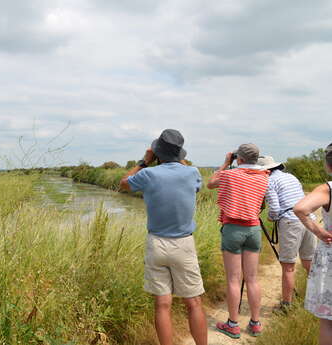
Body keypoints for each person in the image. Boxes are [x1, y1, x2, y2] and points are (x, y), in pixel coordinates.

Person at [119, 129, 207, 345]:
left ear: (158, 153)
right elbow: (194, 184)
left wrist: (144, 161)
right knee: (194, 302)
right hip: (184, 244)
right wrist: (179, 159)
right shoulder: (192, 173)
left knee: (162, 304)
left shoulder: (148, 175)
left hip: (156, 243)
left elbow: (124, 183)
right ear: (180, 154)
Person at [207, 144, 269, 339]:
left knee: (234, 279)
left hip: (233, 229)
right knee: (252, 278)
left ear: (238, 158)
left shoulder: (230, 175)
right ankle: (255, 323)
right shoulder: (264, 176)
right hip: (254, 229)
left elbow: (211, 183)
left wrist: (227, 162)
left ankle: (233, 324)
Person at [257, 155, 317, 311]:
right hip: (308, 219)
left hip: (291, 222)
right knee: (309, 263)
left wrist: (271, 218)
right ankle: (319, 299)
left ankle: (286, 306)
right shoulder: (291, 176)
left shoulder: (268, 182)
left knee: (288, 266)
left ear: (264, 171)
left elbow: (275, 209)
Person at [294, 143, 332, 345]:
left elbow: (300, 208)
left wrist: (318, 231)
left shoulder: (328, 189)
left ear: (328, 165)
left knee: (328, 321)